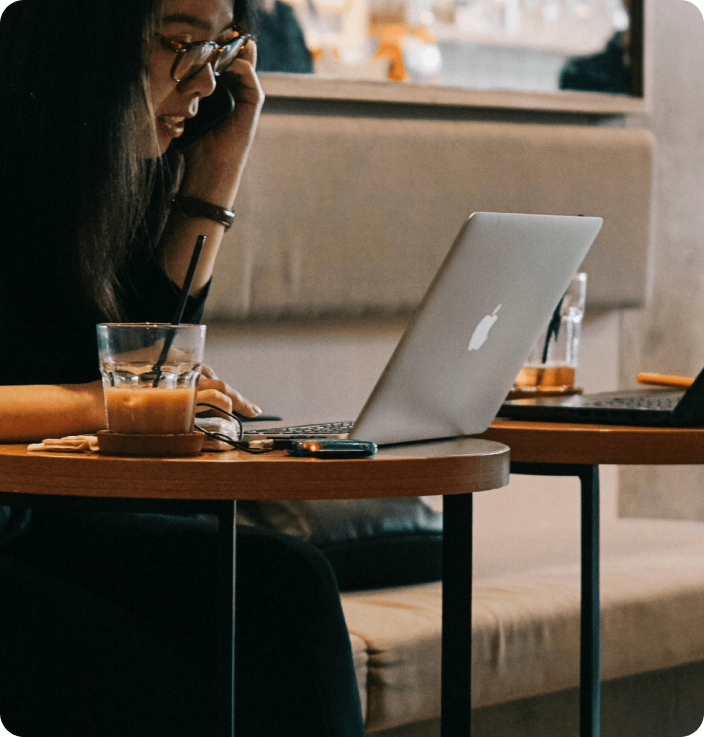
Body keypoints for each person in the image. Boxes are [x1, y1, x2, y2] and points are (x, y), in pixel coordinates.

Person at [0, 0, 365, 735]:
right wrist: (104, 403)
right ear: (86, 44)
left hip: (48, 518)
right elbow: (125, 384)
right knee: (231, 634)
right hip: (25, 526)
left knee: (276, 585)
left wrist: (219, 163)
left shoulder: (105, 176)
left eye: (219, 50)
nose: (203, 83)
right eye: (180, 44)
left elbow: (150, 354)